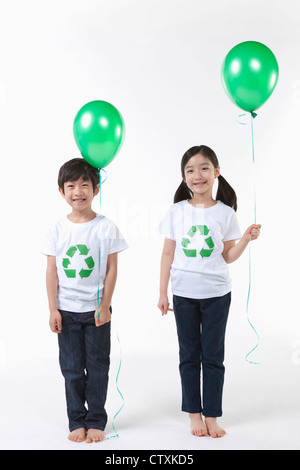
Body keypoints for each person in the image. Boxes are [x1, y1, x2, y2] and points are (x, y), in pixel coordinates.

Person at [157, 145, 261, 438]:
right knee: (189, 355)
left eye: (204, 168)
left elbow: (228, 255)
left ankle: (212, 414)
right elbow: (167, 254)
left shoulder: (226, 214)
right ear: (183, 177)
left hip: (217, 295)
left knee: (213, 356)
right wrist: (163, 292)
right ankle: (194, 414)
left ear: (216, 172)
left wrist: (246, 239)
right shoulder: (175, 212)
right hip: (184, 295)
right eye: (190, 170)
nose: (197, 175)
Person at [43, 158, 128, 443]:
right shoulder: (57, 229)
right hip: (66, 312)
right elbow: (52, 271)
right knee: (71, 369)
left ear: (96, 189)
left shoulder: (106, 227)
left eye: (84, 184)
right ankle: (76, 420)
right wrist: (53, 308)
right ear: (61, 191)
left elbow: (113, 268)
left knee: (98, 367)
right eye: (71, 186)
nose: (78, 191)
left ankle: (96, 422)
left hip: (96, 312)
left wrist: (105, 304)